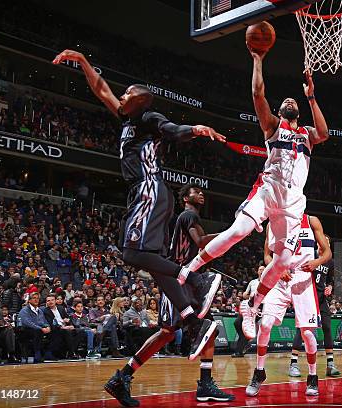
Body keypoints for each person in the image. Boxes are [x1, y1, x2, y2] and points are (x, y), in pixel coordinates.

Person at [52, 49, 224, 362]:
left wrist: (195, 129)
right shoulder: (127, 118)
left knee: (132, 253)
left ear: (140, 99)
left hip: (149, 187)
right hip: (145, 193)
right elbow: (100, 88)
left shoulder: (148, 117)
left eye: (127, 93)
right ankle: (191, 320)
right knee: (154, 263)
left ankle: (198, 277)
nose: (120, 95)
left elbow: (173, 131)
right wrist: (83, 61)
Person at [176, 46, 330, 342]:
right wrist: (258, 60)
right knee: (238, 231)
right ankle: (191, 268)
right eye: (285, 100)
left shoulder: (308, 134)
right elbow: (258, 96)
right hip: (268, 190)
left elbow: (324, 133)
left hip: (294, 202)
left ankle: (251, 305)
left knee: (284, 260)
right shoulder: (273, 126)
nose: (288, 100)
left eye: (292, 99)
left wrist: (311, 95)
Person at [105, 184, 234, 406]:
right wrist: (233, 232)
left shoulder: (188, 218)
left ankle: (204, 384)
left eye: (203, 191)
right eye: (195, 191)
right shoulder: (187, 215)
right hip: (179, 283)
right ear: (185, 198)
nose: (201, 194)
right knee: (169, 333)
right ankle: (123, 377)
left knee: (205, 329)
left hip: (185, 282)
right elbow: (202, 243)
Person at [246, 214, 330, 397]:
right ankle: (259, 372)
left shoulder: (312, 221)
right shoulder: (273, 223)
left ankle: (313, 377)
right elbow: (267, 256)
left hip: (303, 279)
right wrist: (278, 268)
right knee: (265, 324)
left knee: (307, 333)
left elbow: (327, 253)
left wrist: (316, 262)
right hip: (279, 278)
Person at [289, 234, 340, 378]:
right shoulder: (309, 256)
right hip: (307, 296)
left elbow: (330, 279)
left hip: (322, 299)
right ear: (317, 243)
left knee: (327, 327)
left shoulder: (330, 261)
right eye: (321, 241)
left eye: (327, 242)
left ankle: (330, 364)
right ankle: (293, 363)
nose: (324, 243)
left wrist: (329, 286)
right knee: (302, 330)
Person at [232, 265, 263, 357]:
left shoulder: (268, 281)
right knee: (237, 323)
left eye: (263, 270)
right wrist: (247, 295)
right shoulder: (252, 282)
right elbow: (245, 294)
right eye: (260, 269)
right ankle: (246, 343)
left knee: (246, 326)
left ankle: (239, 351)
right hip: (249, 305)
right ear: (257, 271)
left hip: (260, 307)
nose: (261, 271)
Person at [43, 293, 82, 360]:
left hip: (65, 327)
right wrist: (62, 327)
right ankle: (72, 353)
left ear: (55, 301)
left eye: (52, 300)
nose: (50, 302)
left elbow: (68, 318)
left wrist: (70, 324)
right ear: (46, 302)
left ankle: (71, 351)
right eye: (48, 301)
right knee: (67, 332)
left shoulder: (61, 308)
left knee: (80, 331)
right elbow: (50, 323)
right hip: (56, 329)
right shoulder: (46, 311)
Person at [18, 292, 51, 363]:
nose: (36, 300)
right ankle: (37, 353)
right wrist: (41, 328)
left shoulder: (39, 311)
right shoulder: (25, 310)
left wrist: (47, 327)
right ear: (29, 300)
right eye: (34, 298)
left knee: (54, 330)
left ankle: (49, 353)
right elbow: (27, 323)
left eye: (37, 298)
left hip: (38, 329)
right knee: (37, 331)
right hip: (25, 331)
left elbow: (44, 321)